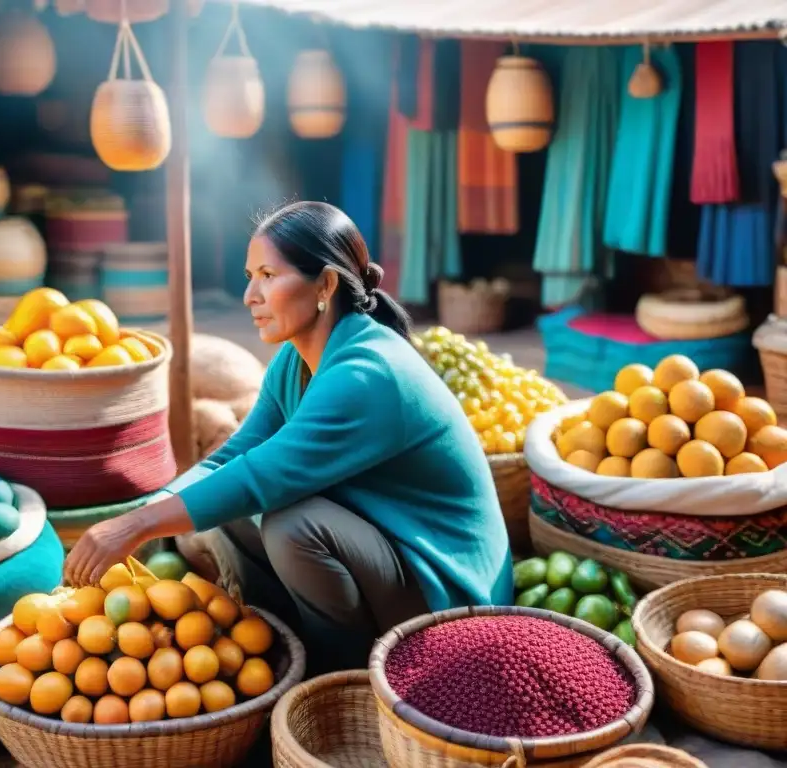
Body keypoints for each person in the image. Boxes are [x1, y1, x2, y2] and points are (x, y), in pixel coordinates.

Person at [64, 201, 513, 672]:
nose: (249, 295)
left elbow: (262, 476)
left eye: (268, 275)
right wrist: (142, 516)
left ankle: (334, 678)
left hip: (451, 597)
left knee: (292, 523)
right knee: (229, 513)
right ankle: (272, 643)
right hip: (389, 552)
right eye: (249, 275)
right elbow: (234, 456)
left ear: (325, 284)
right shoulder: (297, 360)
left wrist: (135, 527)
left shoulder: (367, 373)